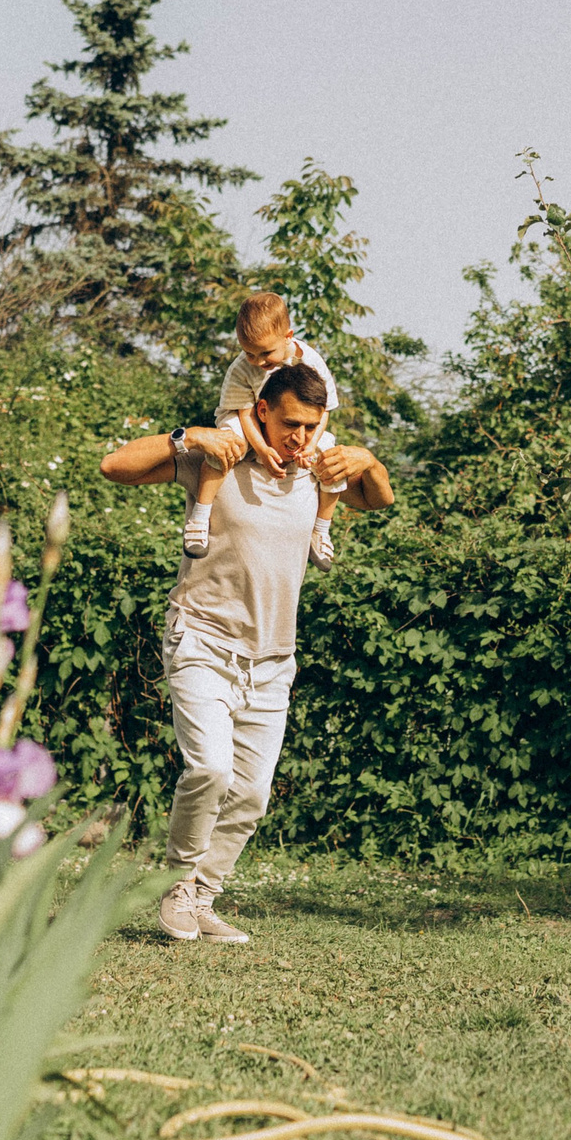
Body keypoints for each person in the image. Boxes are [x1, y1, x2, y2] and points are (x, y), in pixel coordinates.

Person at [99, 361, 395, 941]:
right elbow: (114, 467)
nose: (301, 438)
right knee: (209, 768)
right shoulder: (223, 455)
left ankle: (204, 897)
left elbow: (378, 500)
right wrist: (183, 436)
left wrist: (370, 461)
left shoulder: (315, 468)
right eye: (291, 424)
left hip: (271, 659)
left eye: (312, 426)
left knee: (252, 792)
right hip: (202, 639)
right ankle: (178, 885)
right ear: (261, 409)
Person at [184, 292, 345, 568]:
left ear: (288, 336)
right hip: (245, 417)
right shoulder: (241, 369)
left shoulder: (311, 361)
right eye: (249, 353)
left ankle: (321, 529)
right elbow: (244, 412)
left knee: (330, 456)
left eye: (266, 353)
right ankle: (200, 517)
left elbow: (324, 409)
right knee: (226, 446)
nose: (258, 361)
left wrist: (309, 445)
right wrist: (261, 448)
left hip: (295, 420)